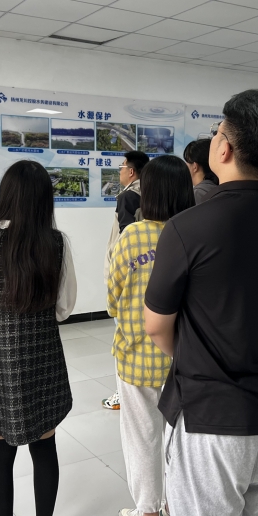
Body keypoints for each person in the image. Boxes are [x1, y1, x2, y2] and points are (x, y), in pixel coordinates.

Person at [144, 89, 258, 516]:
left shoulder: (187, 227)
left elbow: (156, 325)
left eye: (218, 131)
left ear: (225, 149)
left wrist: (199, 356)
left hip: (210, 416)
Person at [0, 160, 77, 516]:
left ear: (6, 194)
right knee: (44, 446)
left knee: (0, 449)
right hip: (43, 354)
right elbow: (64, 307)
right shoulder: (56, 242)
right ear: (45, 199)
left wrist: (2, 321)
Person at [108, 155, 195, 516]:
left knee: (142, 434)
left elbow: (113, 297)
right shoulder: (194, 234)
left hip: (136, 355)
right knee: (180, 437)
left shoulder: (133, 236)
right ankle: (175, 510)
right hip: (184, 357)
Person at [102, 150, 150, 411]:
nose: (119, 171)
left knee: (124, 335)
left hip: (128, 276)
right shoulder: (152, 193)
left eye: (121, 167)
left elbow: (124, 240)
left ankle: (123, 393)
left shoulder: (128, 196)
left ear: (131, 171)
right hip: (149, 272)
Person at [183, 138, 219, 204]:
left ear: (195, 166)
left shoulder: (197, 193)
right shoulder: (218, 188)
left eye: (187, 161)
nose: (185, 165)